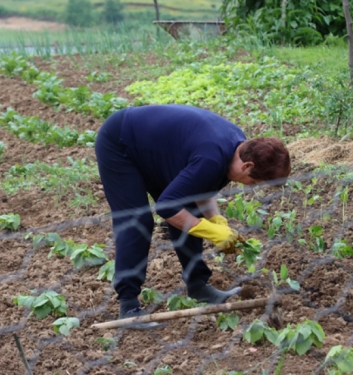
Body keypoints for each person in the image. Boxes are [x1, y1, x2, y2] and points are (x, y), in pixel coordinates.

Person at [95, 104, 291, 322]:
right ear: (247, 166)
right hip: (121, 142)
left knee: (188, 209)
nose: (250, 187)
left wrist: (217, 221)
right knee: (137, 220)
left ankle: (198, 287)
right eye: (253, 182)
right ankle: (128, 305)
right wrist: (211, 232)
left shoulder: (238, 148)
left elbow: (201, 187)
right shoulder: (213, 157)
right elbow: (167, 208)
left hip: (156, 152)